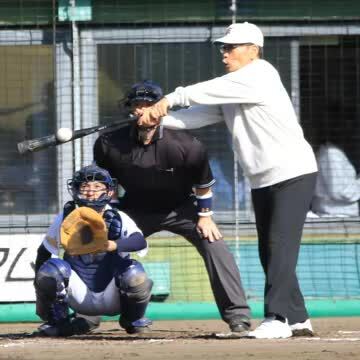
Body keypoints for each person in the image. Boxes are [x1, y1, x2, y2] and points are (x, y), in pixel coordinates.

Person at [137, 23, 318, 339]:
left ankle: (276, 318)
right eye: (223, 47)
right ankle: (297, 317)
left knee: (279, 247)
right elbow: (199, 115)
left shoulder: (260, 75)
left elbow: (201, 92)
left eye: (231, 47)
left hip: (293, 173)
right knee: (269, 250)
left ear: (253, 50)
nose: (225, 53)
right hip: (263, 179)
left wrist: (169, 99)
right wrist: (156, 120)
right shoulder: (236, 88)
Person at [94, 80, 251, 335]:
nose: (143, 110)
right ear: (130, 111)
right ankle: (87, 317)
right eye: (138, 106)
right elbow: (105, 185)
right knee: (98, 245)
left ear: (162, 110)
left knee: (215, 244)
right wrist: (107, 216)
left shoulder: (187, 144)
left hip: (182, 209)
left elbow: (203, 185)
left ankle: (238, 317)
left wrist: (205, 217)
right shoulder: (109, 144)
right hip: (133, 210)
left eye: (150, 105)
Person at [33, 164, 153, 336]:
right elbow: (44, 251)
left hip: (113, 296)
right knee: (51, 269)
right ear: (75, 190)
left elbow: (139, 242)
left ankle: (132, 319)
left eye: (97, 187)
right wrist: (40, 288)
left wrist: (112, 245)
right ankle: (58, 322)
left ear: (109, 191)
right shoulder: (66, 217)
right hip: (79, 295)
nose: (90, 192)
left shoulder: (118, 217)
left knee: (134, 272)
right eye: (85, 187)